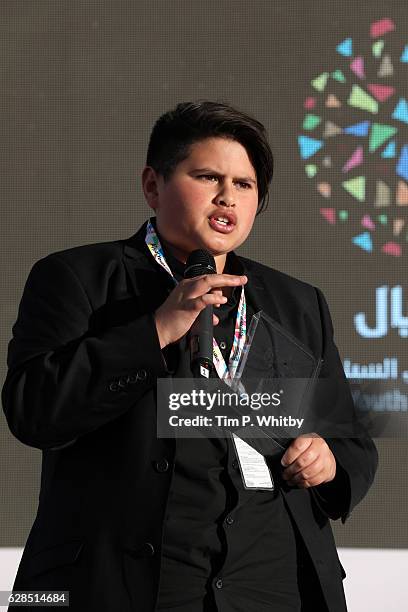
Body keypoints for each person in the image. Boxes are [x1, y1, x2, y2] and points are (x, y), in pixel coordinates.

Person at [2, 100, 377, 612]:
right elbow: (33, 411)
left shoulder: (297, 302)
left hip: (274, 583)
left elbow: (349, 439)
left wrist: (328, 460)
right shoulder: (78, 278)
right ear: (153, 186)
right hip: (122, 583)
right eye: (207, 176)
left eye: (244, 185)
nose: (228, 196)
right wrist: (155, 329)